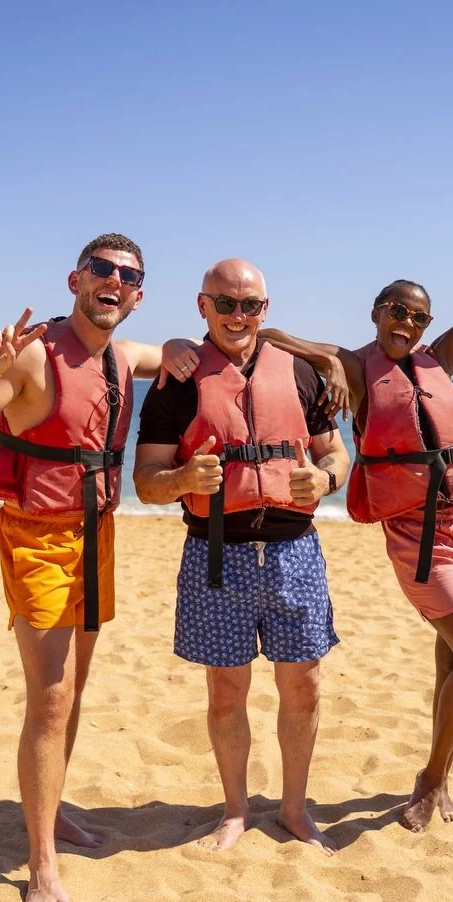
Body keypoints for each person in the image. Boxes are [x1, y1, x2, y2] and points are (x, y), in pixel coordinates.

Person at [258, 182, 453, 832]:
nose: (408, 323)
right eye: (397, 310)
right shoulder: (359, 366)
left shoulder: (442, 358)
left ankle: (439, 779)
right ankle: (429, 781)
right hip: (420, 538)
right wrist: (332, 363)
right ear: (376, 312)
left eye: (419, 317)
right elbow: (273, 336)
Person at [0, 233, 184, 902]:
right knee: (48, 699)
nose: (115, 281)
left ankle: (53, 811)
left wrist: (287, 349)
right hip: (37, 539)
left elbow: (205, 350)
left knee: (72, 692)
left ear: (138, 295)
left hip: (98, 535)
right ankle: (42, 861)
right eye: (102, 270)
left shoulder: (125, 358)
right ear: (76, 279)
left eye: (129, 276)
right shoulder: (34, 356)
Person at [134, 259, 351, 855]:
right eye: (224, 303)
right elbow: (145, 481)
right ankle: (234, 811)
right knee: (226, 692)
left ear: (266, 308)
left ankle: (293, 808)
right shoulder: (178, 380)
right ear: (201, 305)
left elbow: (337, 455)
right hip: (215, 555)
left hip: (294, 552)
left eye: (248, 305)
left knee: (303, 687)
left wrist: (325, 481)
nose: (237, 315)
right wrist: (181, 477)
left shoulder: (304, 374)